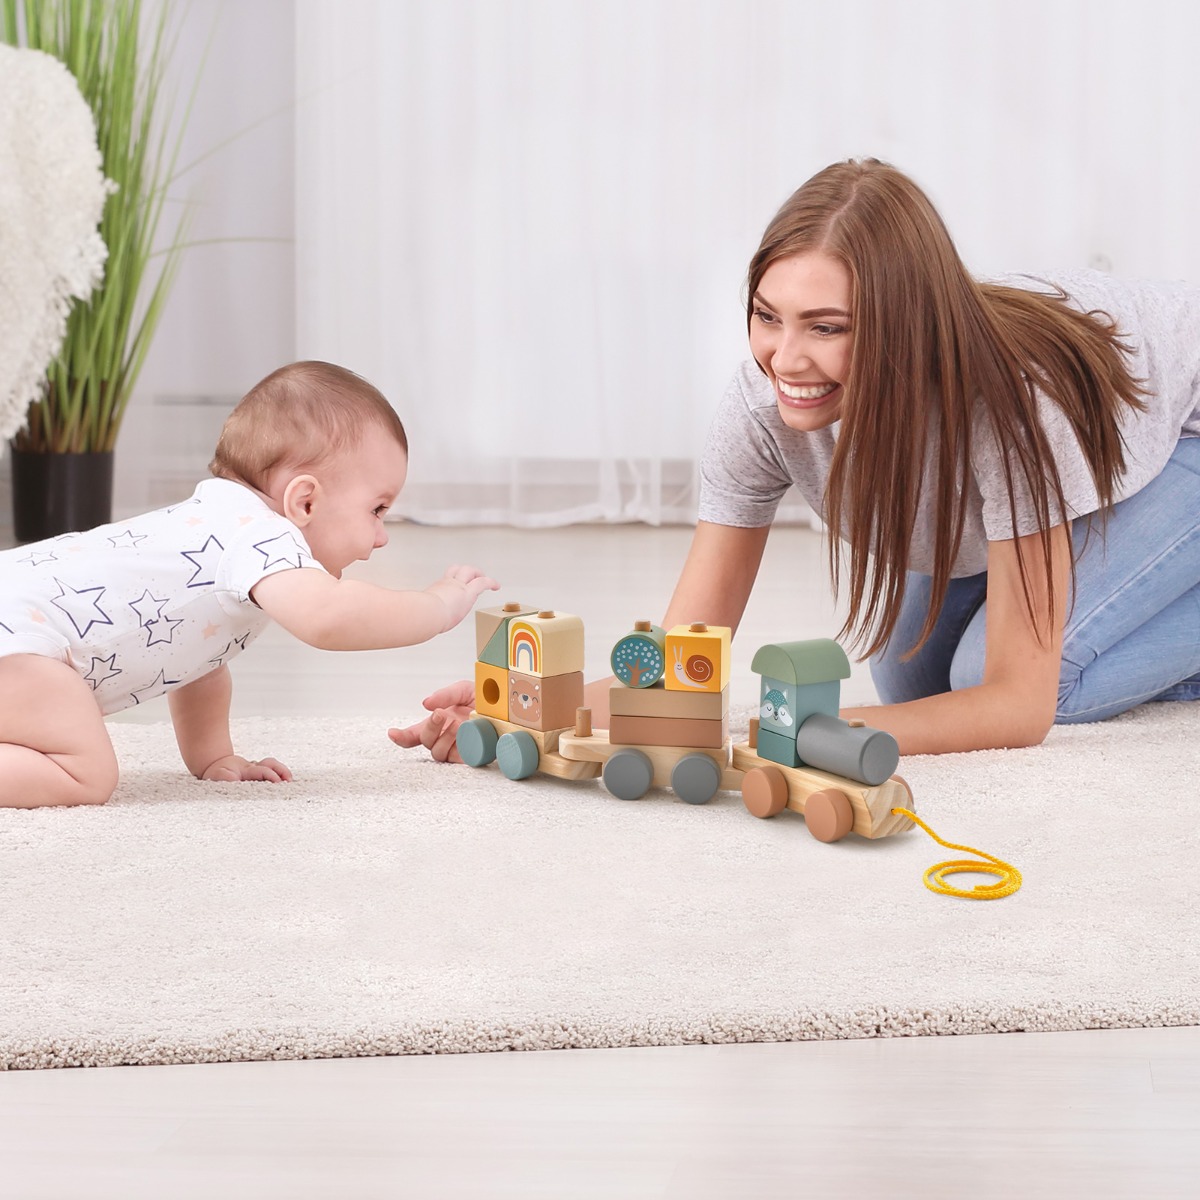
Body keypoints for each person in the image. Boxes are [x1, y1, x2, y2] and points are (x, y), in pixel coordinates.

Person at [393, 157, 1199, 762]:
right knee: (916, 685)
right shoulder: (759, 407)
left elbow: (1018, 709)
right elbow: (686, 659)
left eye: (827, 326)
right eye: (766, 316)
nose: (785, 357)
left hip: (1187, 431)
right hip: (1094, 441)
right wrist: (537, 707)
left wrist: (801, 737)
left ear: (906, 323)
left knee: (1000, 677)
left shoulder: (1012, 406)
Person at [0, 360, 499, 808]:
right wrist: (437, 607)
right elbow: (329, 618)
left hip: (18, 619)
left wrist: (214, 757)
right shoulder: (262, 535)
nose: (382, 536)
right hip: (22, 641)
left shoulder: (214, 527)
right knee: (85, 774)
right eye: (377, 509)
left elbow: (197, 658)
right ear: (305, 502)